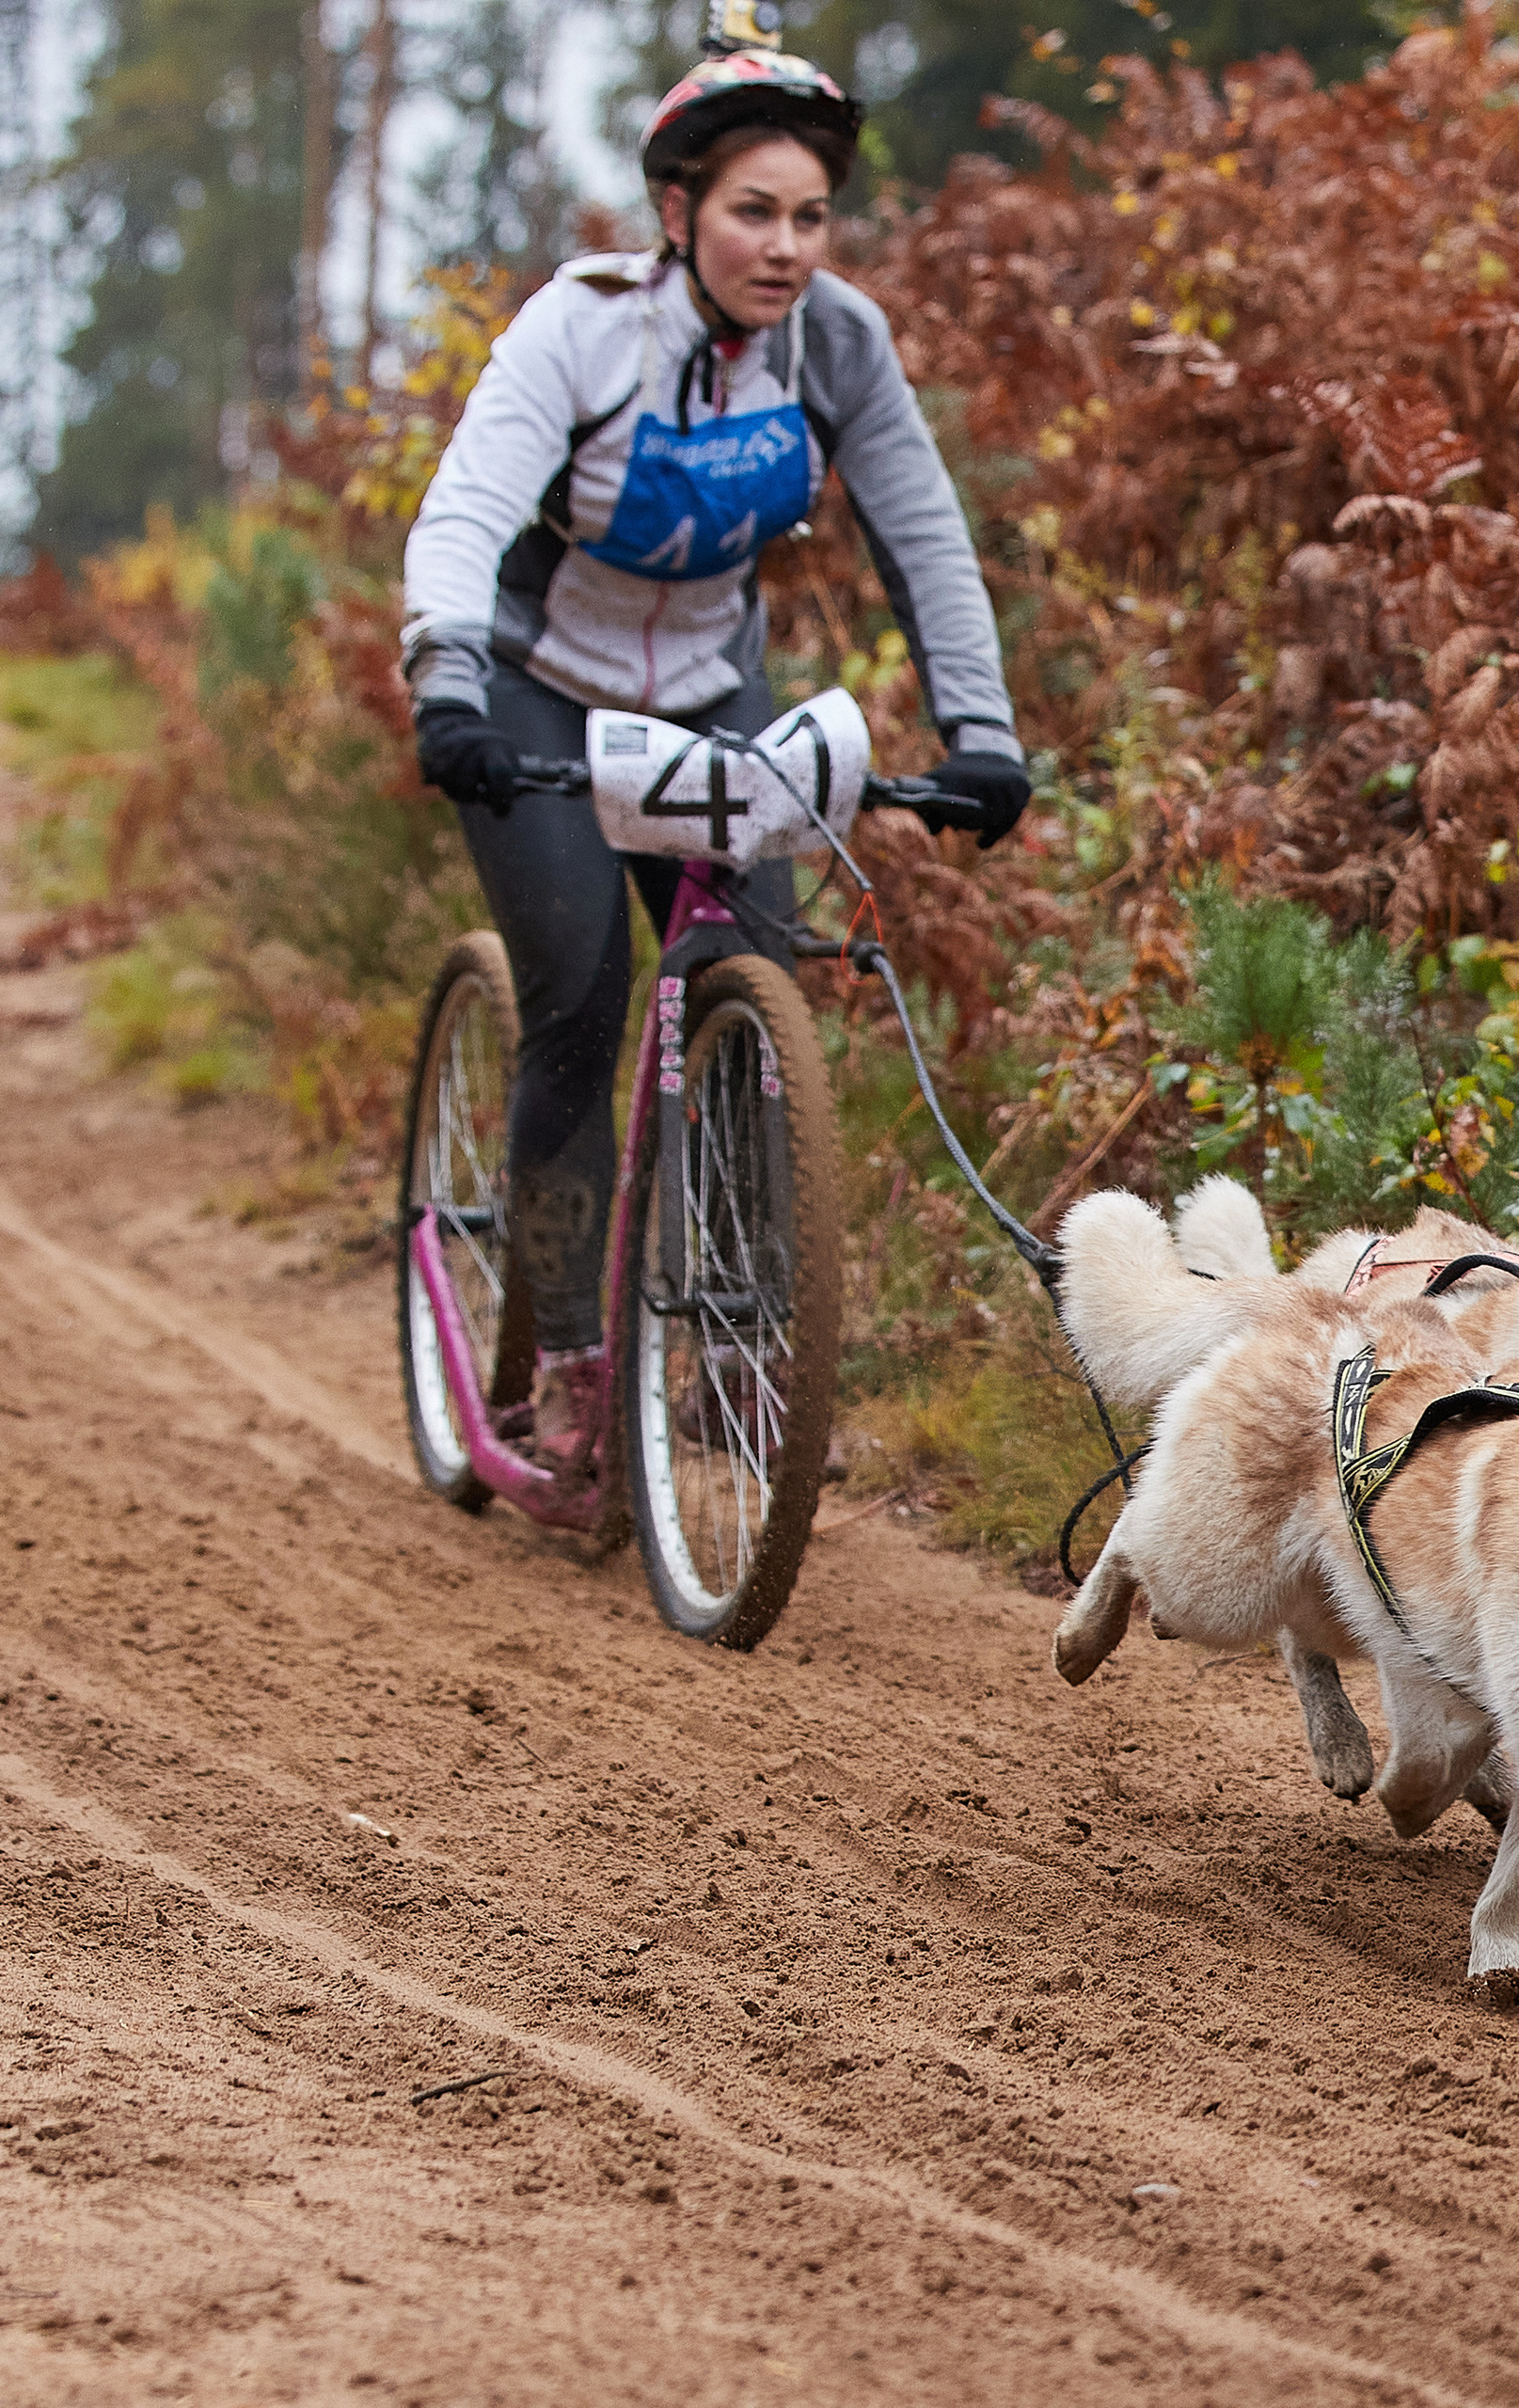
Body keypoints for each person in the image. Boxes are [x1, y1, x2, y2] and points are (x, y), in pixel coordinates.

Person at [400, 34, 1027, 1478]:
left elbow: (923, 536)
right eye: (756, 211)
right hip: (537, 684)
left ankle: (735, 1350)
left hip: (708, 690)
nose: (787, 247)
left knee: (748, 990)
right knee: (581, 990)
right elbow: (467, 505)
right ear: (680, 209)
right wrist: (449, 686)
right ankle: (564, 1354)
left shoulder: (836, 344)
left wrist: (983, 736)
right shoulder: (584, 326)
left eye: (811, 217)